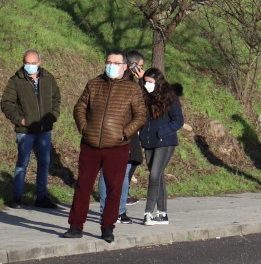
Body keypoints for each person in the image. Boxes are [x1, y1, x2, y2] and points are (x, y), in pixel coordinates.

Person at [65, 50, 147, 243]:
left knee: (114, 187)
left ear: (125, 66)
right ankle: (76, 226)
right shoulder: (94, 83)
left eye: (116, 63)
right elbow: (79, 107)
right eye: (109, 62)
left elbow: (140, 116)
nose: (112, 65)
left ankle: (107, 228)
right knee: (83, 186)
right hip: (90, 144)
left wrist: (125, 133)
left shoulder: (132, 89)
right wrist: (84, 128)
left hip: (117, 146)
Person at [0, 49, 61, 209]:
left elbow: (56, 97)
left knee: (44, 163)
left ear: (39, 63)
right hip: (25, 131)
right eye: (27, 63)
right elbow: (6, 103)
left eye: (33, 63)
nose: (30, 66)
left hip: (44, 130)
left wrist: (53, 115)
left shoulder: (48, 78)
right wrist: (19, 119)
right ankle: (17, 197)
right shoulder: (16, 80)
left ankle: (41, 197)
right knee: (22, 163)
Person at [98, 49, 146, 224]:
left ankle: (119, 210)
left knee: (122, 174)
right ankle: (109, 211)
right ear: (130, 66)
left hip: (127, 135)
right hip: (108, 135)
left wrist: (143, 82)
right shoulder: (103, 82)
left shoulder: (134, 85)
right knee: (108, 174)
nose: (141, 70)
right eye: (139, 67)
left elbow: (142, 110)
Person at [139, 68, 183, 225]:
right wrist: (141, 133)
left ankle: (148, 212)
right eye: (145, 82)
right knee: (158, 176)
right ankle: (163, 214)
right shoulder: (145, 97)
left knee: (154, 175)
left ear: (158, 82)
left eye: (150, 82)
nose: (147, 85)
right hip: (149, 141)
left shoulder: (170, 98)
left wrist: (162, 132)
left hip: (165, 141)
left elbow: (178, 121)